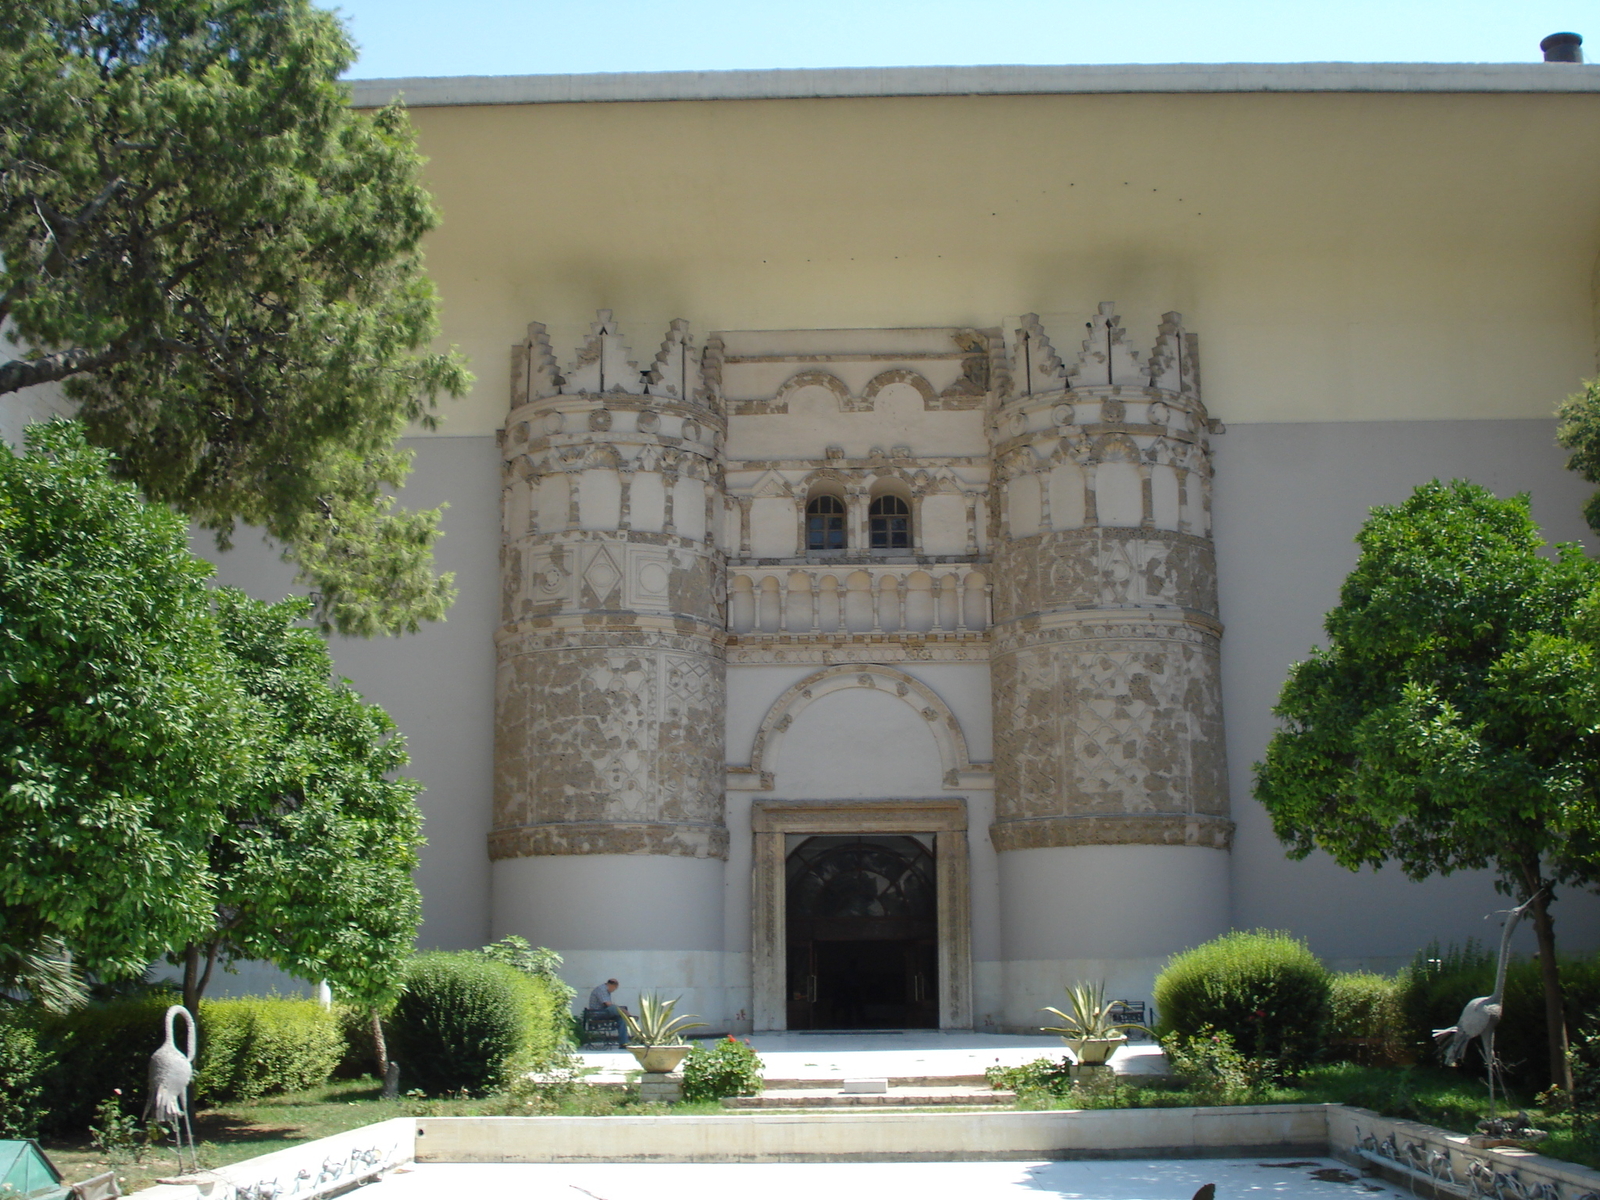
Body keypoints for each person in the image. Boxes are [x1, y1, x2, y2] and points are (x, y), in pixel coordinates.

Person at [585, 978, 630, 1047]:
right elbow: (608, 1004)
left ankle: (623, 1042)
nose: (614, 990)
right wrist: (622, 1010)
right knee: (615, 1008)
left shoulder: (605, 990)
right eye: (615, 988)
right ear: (611, 985)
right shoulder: (602, 990)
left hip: (604, 1012)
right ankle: (628, 1016)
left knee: (621, 1019)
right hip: (597, 1013)